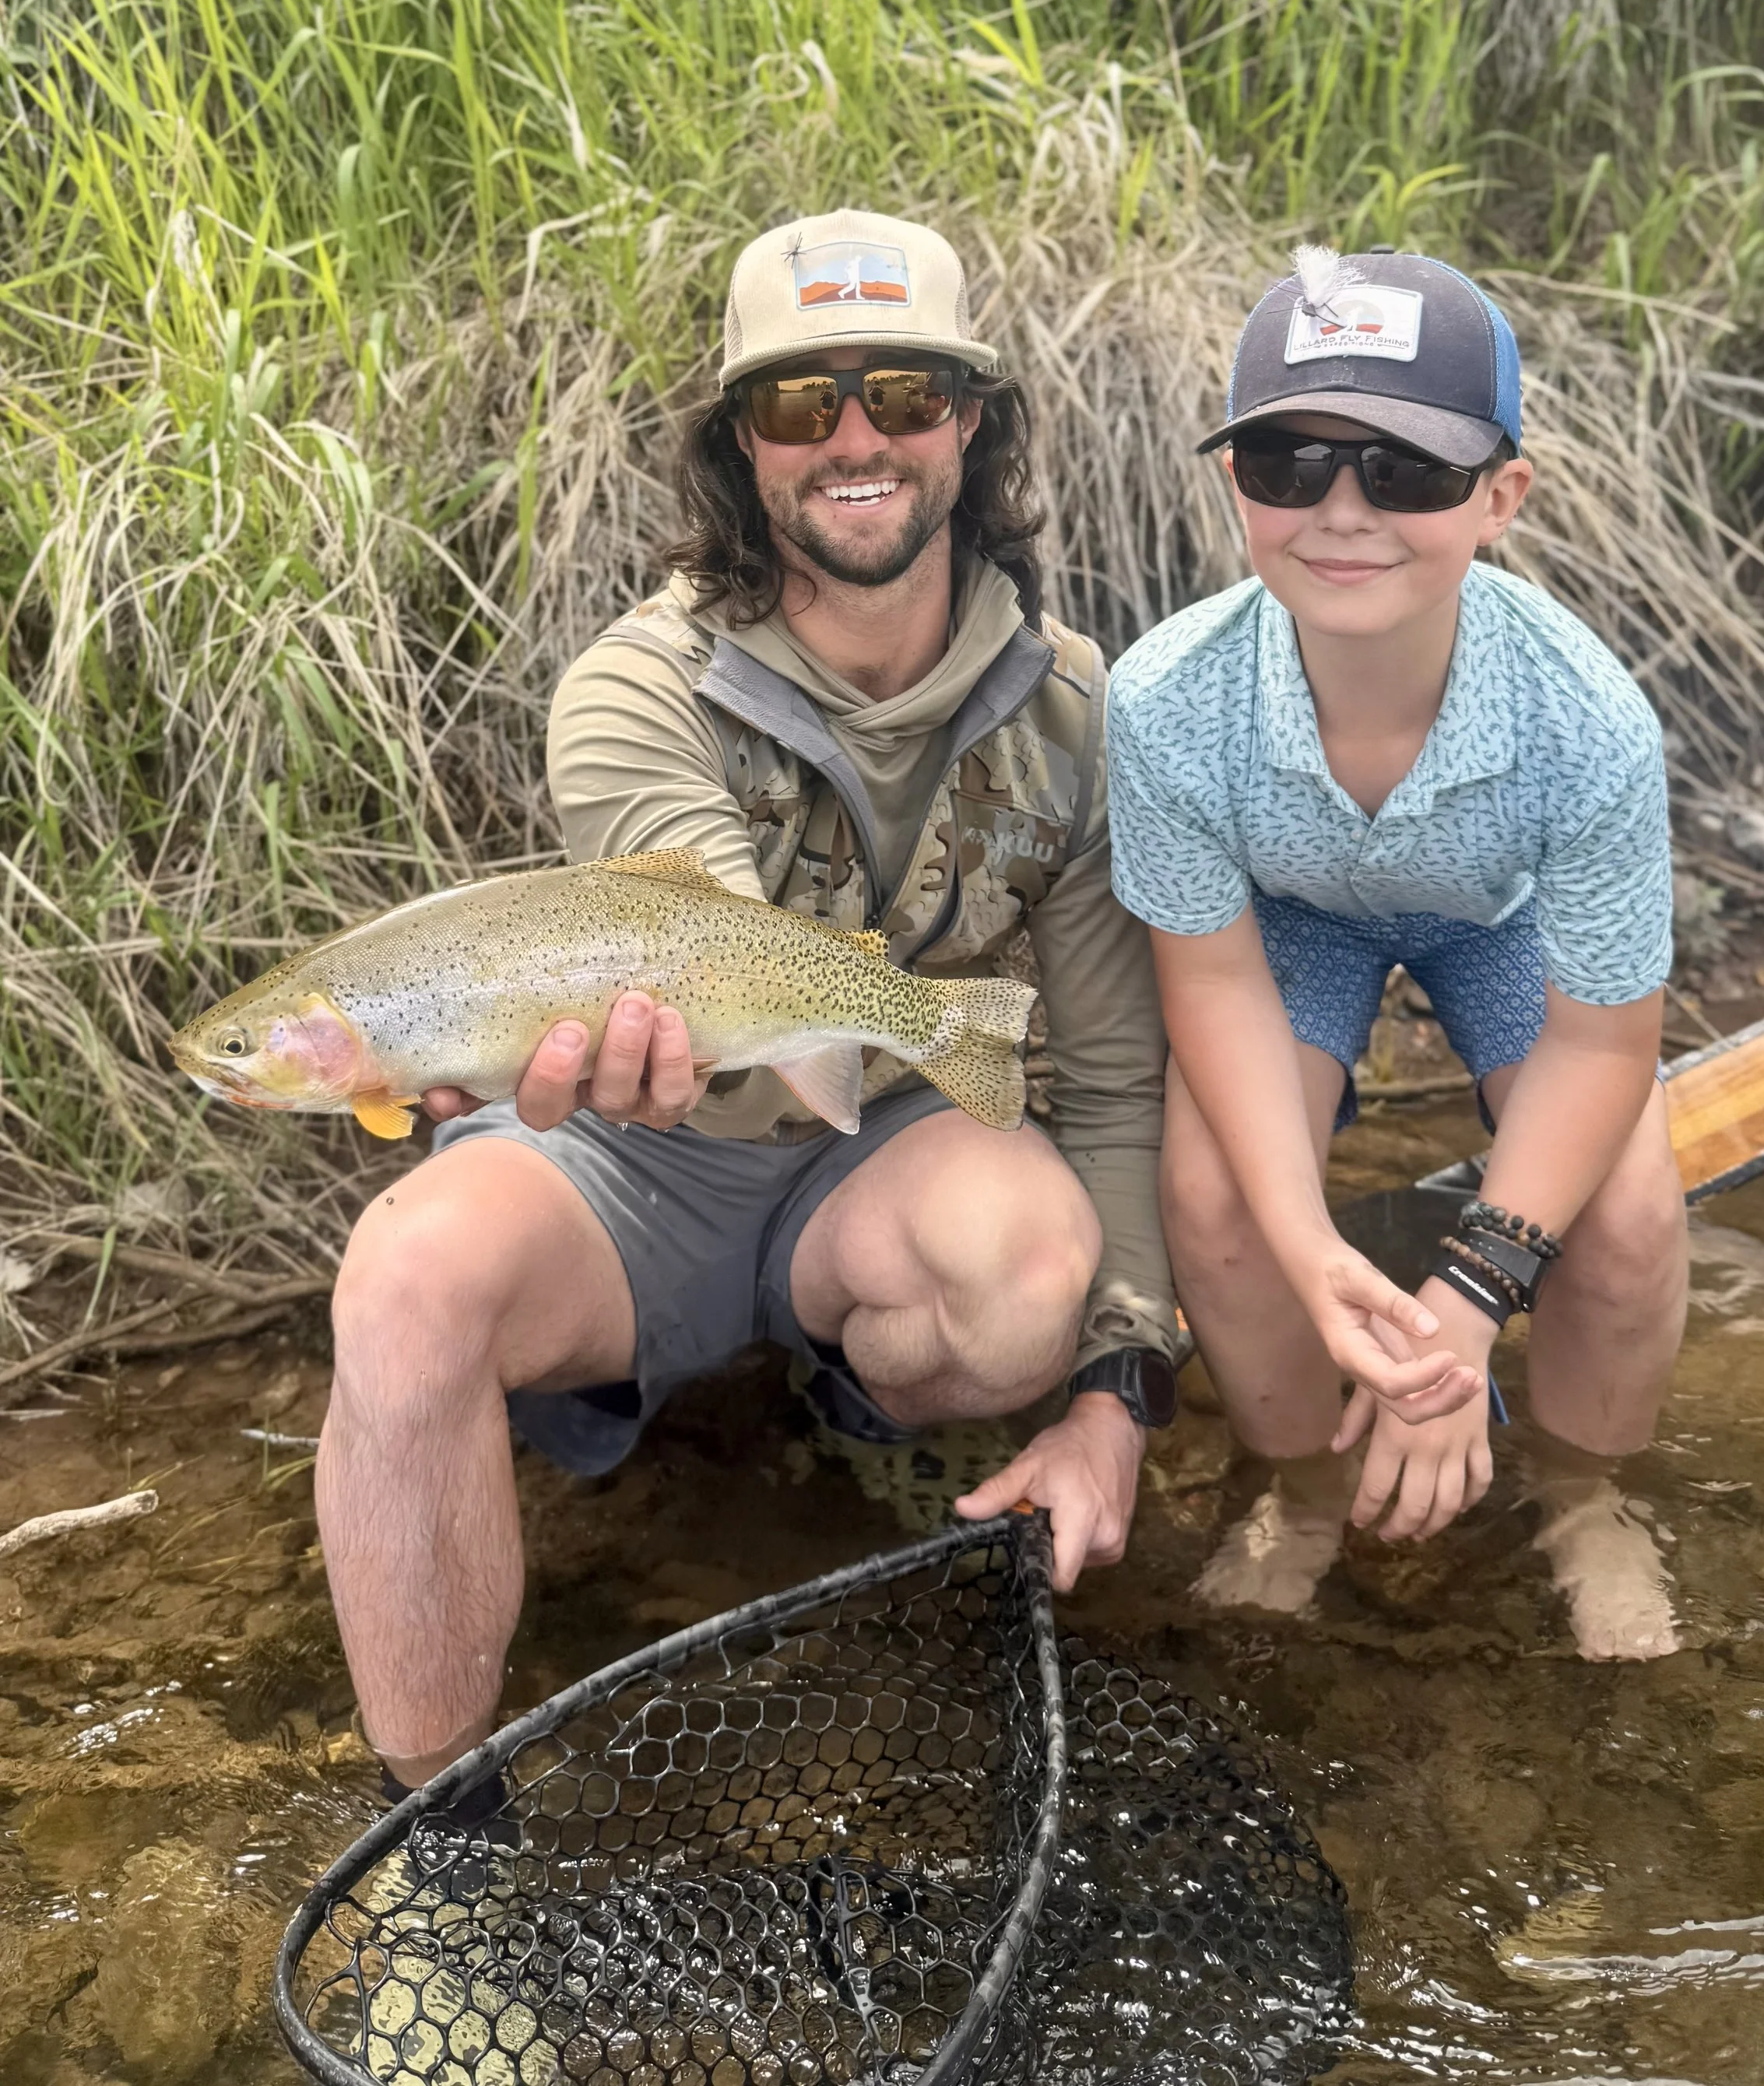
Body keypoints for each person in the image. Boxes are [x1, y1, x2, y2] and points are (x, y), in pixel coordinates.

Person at [317, 207, 1217, 1800]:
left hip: (881, 1148)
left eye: (903, 393)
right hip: (642, 1160)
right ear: (744, 443)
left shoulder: (1076, 709)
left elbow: (1113, 1070)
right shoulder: (636, 688)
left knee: (1027, 1272)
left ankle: (841, 1383)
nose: (853, 437)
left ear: (972, 422)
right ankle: (434, 1828)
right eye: (802, 404)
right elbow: (706, 964)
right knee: (401, 1284)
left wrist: (1115, 1398)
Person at [1105, 247, 1689, 1661]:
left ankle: (1583, 1493)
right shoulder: (1165, 702)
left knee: (1624, 1227)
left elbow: (1607, 1040)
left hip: (1499, 916)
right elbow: (1217, 978)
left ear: (1502, 498)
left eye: (1410, 473)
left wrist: (1469, 1295)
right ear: (1238, 485)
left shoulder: (1588, 722)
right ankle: (1302, 1485)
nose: (1345, 513)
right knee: (1222, 1207)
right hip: (1290, 923)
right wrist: (1312, 1252)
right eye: (1292, 463)